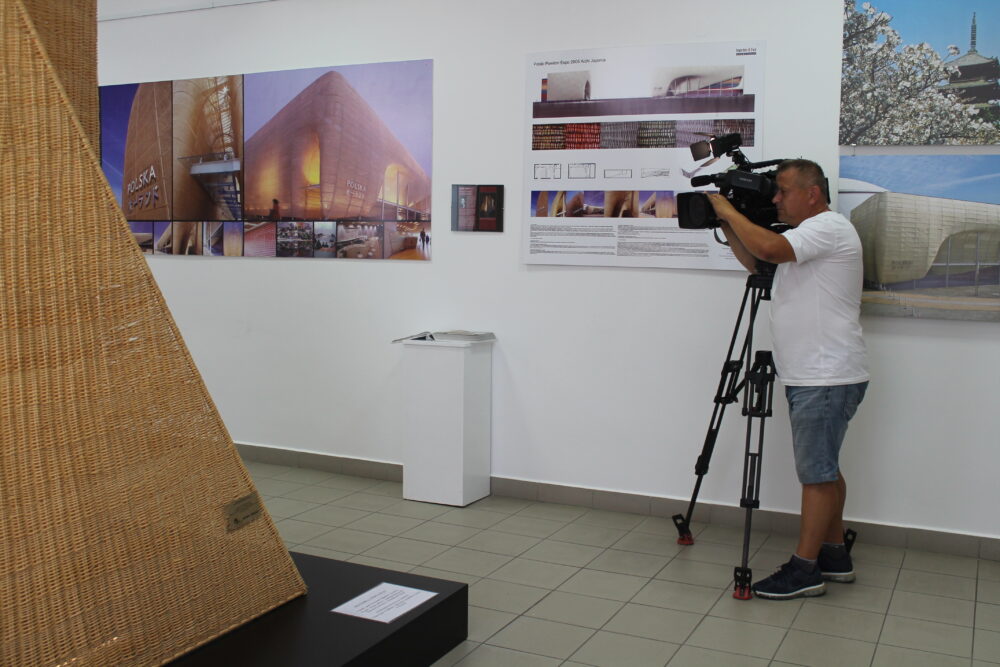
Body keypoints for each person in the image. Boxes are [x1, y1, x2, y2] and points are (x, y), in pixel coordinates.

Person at [707, 159, 869, 600]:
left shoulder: (826, 228)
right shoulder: (804, 238)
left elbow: (771, 248)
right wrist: (728, 225)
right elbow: (760, 261)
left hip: (825, 374)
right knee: (825, 469)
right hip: (816, 372)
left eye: (783, 191)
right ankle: (834, 555)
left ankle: (805, 570)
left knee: (816, 474)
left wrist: (728, 209)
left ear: (812, 194)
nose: (776, 199)